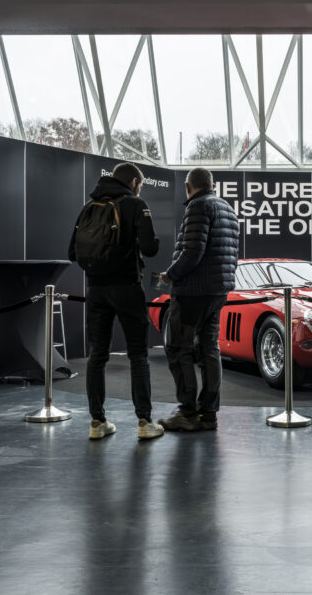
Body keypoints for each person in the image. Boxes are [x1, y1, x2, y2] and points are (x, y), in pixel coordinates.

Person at [69, 162, 163, 441]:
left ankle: (97, 422)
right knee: (138, 355)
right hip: (127, 288)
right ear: (133, 182)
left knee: (97, 355)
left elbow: (72, 252)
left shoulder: (89, 207)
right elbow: (150, 247)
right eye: (140, 184)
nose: (140, 189)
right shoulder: (136, 204)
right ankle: (145, 421)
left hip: (96, 290)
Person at [157, 167, 239, 432]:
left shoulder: (197, 206)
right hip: (218, 291)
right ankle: (208, 414)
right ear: (212, 184)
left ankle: (187, 412)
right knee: (209, 349)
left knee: (177, 348)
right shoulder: (227, 209)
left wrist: (170, 275)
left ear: (188, 186)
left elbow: (192, 250)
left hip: (193, 291)